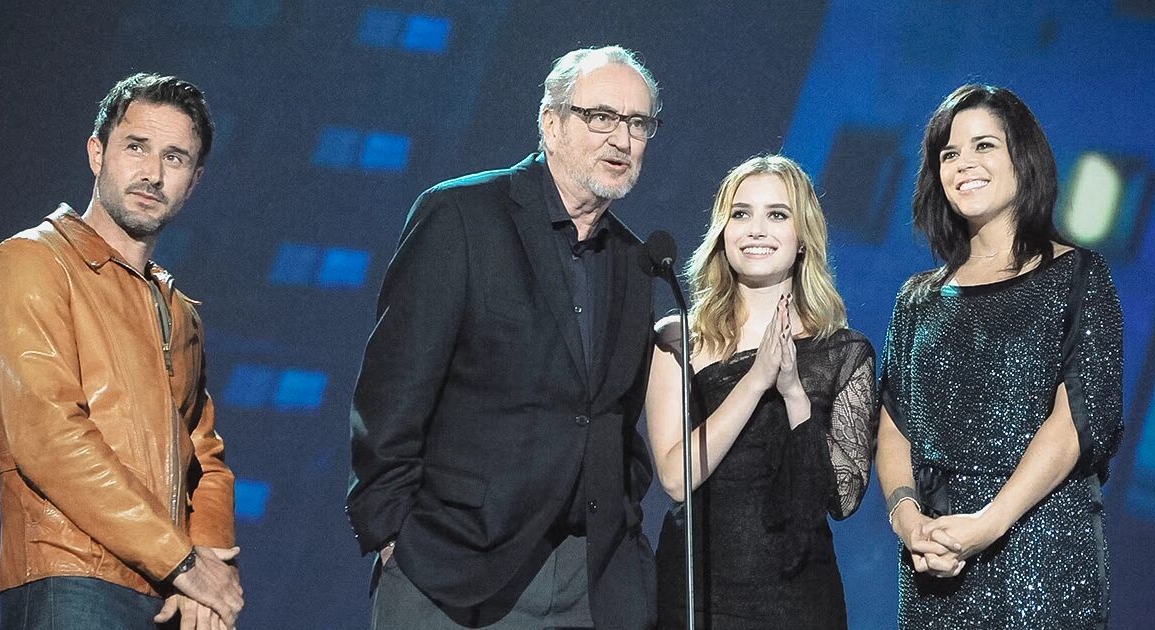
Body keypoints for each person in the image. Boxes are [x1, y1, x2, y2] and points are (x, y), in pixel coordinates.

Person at [346, 46, 662, 629]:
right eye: (602, 118)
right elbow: (393, 389)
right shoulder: (462, 214)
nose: (621, 139)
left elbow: (612, 418)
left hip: (585, 579)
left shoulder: (635, 261)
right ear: (550, 122)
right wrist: (392, 531)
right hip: (454, 564)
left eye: (637, 123)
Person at [0, 73, 243, 630]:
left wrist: (206, 570)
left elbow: (205, 459)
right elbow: (48, 436)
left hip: (167, 592)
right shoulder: (32, 262)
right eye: (136, 147)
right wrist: (188, 564)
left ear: (193, 181)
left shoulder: (178, 309)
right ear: (97, 153)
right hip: (70, 578)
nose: (152, 173)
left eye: (175, 157)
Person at [876, 84, 1123, 629]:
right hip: (936, 562)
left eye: (983, 145)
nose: (964, 164)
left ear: (1023, 157)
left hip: (1042, 558)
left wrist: (990, 522)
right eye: (949, 153)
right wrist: (908, 519)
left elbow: (1075, 420)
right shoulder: (917, 297)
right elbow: (893, 423)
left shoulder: (1077, 277)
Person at [647, 155, 877, 629]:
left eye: (777, 214)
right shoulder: (679, 337)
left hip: (798, 600)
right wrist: (755, 382)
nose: (756, 229)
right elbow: (674, 477)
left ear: (802, 240)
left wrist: (794, 394)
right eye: (740, 214)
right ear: (722, 233)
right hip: (696, 595)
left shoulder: (844, 352)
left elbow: (841, 499)